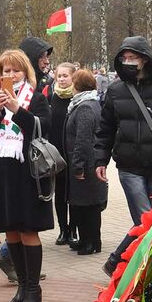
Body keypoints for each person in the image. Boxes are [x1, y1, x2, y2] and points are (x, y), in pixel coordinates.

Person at [94, 35, 152, 275]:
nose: (129, 61)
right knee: (146, 220)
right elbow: (106, 128)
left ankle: (116, 261)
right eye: (125, 57)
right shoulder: (116, 89)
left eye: (133, 57)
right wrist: (101, 160)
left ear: (144, 59)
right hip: (128, 166)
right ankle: (139, 270)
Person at [0, 48, 52, 302]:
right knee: (10, 229)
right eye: (5, 71)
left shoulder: (36, 97)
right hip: (2, 169)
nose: (10, 75)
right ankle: (22, 284)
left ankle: (34, 288)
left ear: (26, 71)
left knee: (27, 229)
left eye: (15, 70)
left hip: (28, 171)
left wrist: (17, 110)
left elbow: (44, 127)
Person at [64, 69, 107, 256]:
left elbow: (83, 139)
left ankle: (92, 242)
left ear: (78, 86)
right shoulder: (87, 104)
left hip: (86, 165)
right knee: (82, 205)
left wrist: (78, 165)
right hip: (85, 162)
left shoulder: (85, 108)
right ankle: (85, 239)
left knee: (89, 206)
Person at [49, 61, 78, 246]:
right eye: (59, 76)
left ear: (73, 77)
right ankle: (63, 229)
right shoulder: (51, 97)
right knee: (59, 193)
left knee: (73, 193)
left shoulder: (77, 98)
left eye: (65, 76)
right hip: (55, 152)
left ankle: (74, 229)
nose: (61, 79)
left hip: (73, 152)